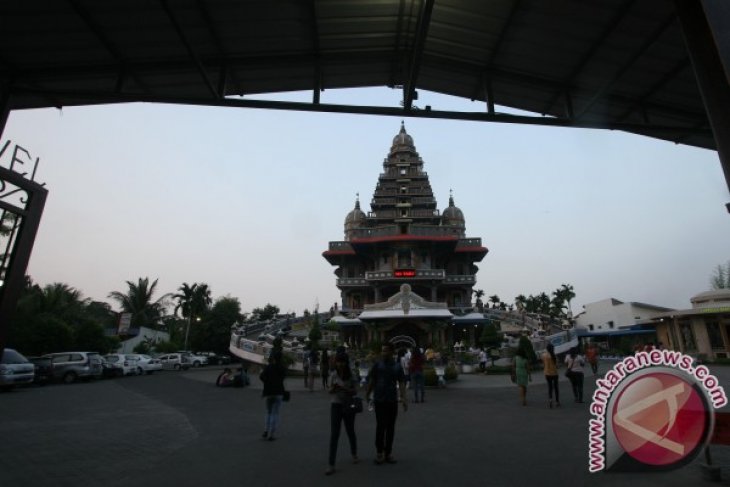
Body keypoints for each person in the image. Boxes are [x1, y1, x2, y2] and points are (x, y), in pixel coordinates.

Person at [366, 343, 407, 465]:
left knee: (390, 427)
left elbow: (402, 383)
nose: (383, 353)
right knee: (380, 426)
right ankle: (379, 452)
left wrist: (403, 399)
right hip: (379, 399)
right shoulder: (377, 365)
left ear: (392, 352)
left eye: (386, 351)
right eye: (382, 351)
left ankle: (388, 452)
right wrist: (367, 394)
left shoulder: (397, 367)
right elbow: (372, 380)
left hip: (392, 400)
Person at [325, 352, 359, 475]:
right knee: (334, 434)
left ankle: (354, 453)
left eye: (342, 362)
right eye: (338, 362)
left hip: (348, 404)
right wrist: (333, 388)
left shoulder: (352, 375)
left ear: (346, 362)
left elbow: (356, 390)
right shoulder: (333, 374)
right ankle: (331, 464)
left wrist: (345, 389)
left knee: (350, 430)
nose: (340, 364)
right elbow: (329, 390)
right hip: (336, 405)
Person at [260, 352, 287, 441]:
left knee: (268, 412)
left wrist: (267, 382)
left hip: (269, 392)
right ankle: (271, 434)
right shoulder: (282, 368)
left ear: (273, 359)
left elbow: (261, 376)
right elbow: (283, 378)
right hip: (278, 392)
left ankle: (266, 430)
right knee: (275, 413)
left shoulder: (269, 367)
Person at [541, 344, 560, 408]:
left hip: (547, 373)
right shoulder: (554, 356)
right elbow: (557, 365)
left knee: (550, 387)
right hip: (554, 373)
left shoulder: (544, 355)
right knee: (556, 387)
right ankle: (557, 401)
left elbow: (543, 363)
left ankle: (550, 400)